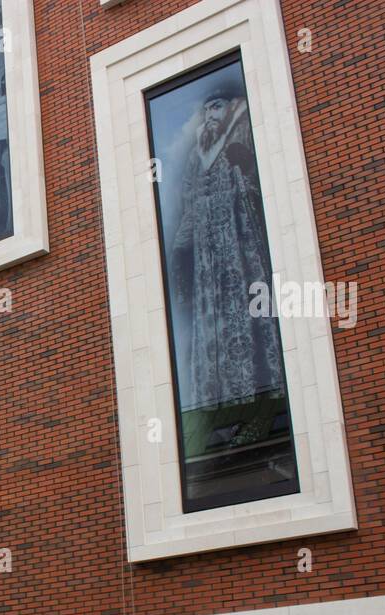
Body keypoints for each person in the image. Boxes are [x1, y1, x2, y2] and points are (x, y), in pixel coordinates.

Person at [167, 78, 284, 416]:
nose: (210, 116)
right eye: (206, 110)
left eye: (216, 107)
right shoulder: (196, 155)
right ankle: (222, 407)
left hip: (241, 251)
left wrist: (243, 184)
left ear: (232, 106)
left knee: (250, 319)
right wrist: (181, 248)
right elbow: (189, 202)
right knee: (214, 328)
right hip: (209, 263)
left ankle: (263, 401)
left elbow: (260, 186)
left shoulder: (243, 132)